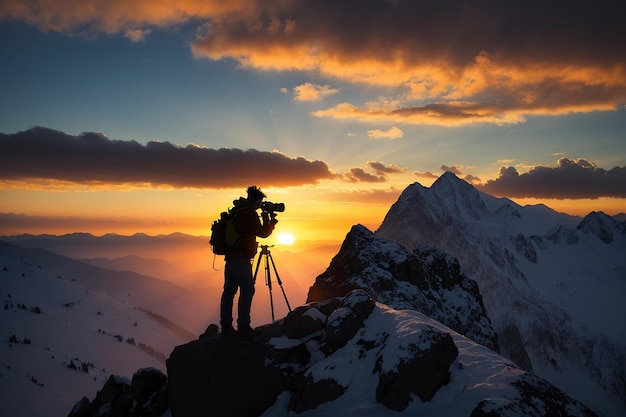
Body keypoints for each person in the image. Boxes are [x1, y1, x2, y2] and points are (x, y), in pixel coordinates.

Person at [220, 185, 277, 337]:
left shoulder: (237, 210)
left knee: (229, 292)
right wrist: (269, 221)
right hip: (241, 259)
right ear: (256, 200)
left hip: (231, 258)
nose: (259, 206)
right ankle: (243, 325)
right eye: (259, 203)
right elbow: (263, 233)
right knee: (247, 290)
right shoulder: (249, 213)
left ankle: (226, 325)